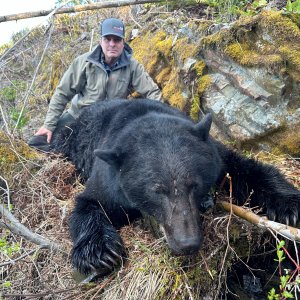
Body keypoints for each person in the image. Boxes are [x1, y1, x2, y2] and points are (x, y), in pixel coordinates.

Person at [28, 18, 162, 151]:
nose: (112, 44)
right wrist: (48, 125)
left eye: (116, 40)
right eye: (107, 39)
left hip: (112, 121)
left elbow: (152, 92)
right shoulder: (83, 62)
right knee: (38, 143)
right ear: (100, 41)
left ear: (123, 43)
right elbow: (62, 94)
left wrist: (160, 120)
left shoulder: (132, 65)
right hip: (78, 117)